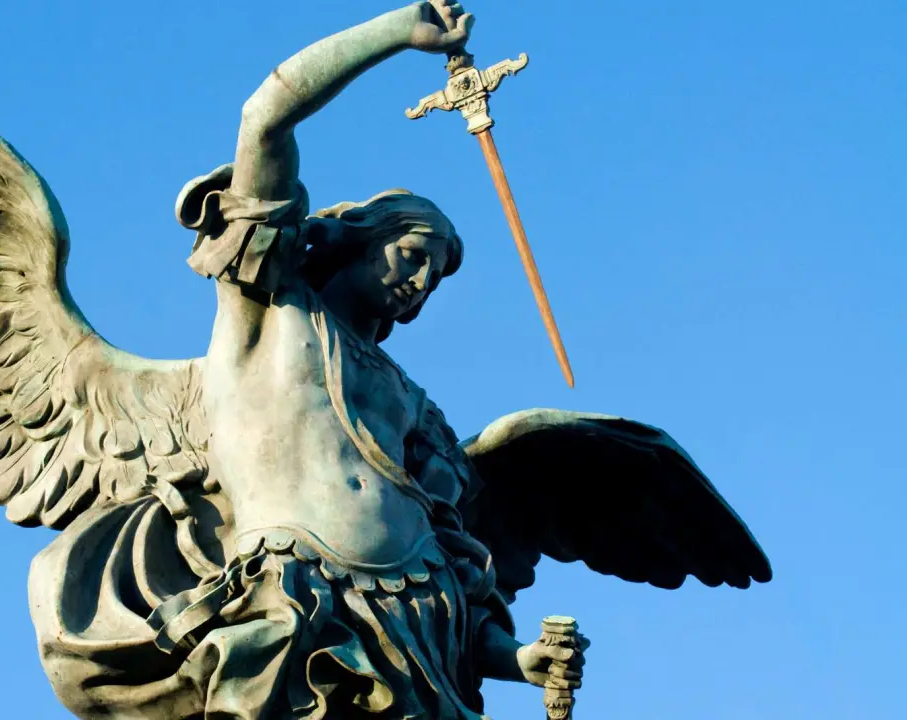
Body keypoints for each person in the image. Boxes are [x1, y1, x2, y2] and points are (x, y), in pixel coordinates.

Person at [33, 3, 585, 717]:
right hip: (292, 607)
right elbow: (264, 119)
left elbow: (449, 556)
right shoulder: (269, 308)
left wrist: (517, 658)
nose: (420, 280)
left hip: (415, 629)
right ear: (364, 239)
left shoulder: (416, 407)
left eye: (436, 274)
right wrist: (399, 32)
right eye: (412, 254)